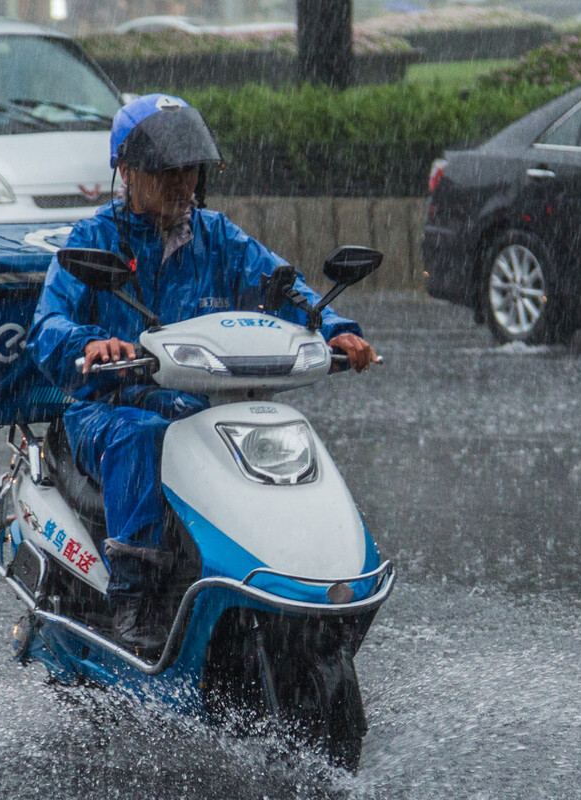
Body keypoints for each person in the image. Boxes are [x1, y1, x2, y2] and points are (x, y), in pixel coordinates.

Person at [27, 93, 377, 652]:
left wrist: (335, 326)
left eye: (189, 169)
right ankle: (133, 599)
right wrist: (91, 343)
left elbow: (285, 289)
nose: (180, 183)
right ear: (126, 171)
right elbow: (45, 327)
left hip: (193, 406)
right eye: (165, 170)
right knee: (142, 436)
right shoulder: (92, 239)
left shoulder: (218, 237)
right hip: (103, 412)